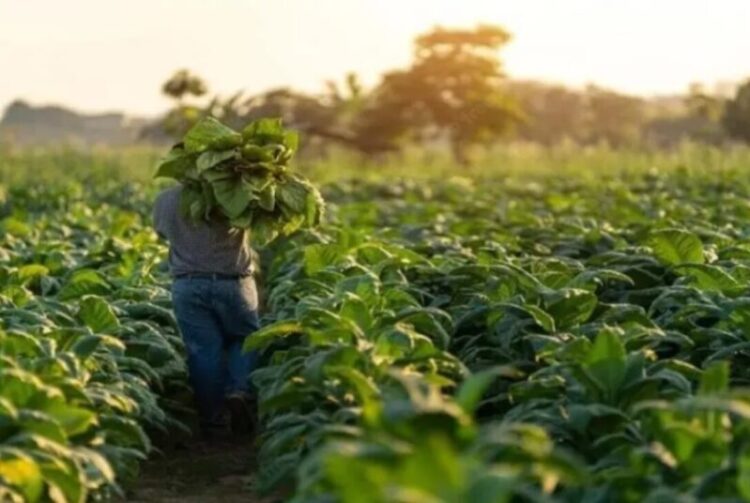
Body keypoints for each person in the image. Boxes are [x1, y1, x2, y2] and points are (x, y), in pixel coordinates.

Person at [152, 183, 260, 439]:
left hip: (187, 285)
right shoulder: (236, 192)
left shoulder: (166, 198)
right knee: (244, 339)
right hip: (233, 282)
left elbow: (161, 232)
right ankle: (239, 391)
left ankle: (213, 422)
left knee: (203, 351)